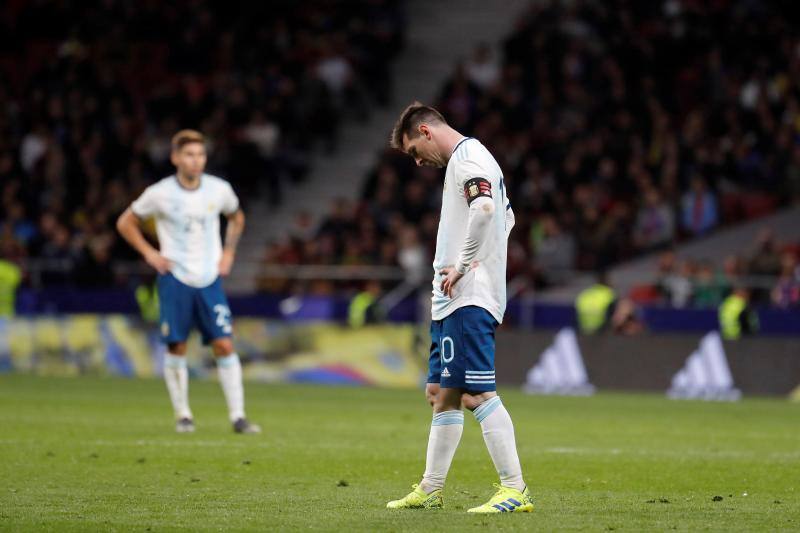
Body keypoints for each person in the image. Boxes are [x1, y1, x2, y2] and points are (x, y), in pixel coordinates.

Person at [385, 103, 532, 514]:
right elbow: (507, 215)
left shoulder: (469, 158)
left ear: (427, 131)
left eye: (415, 150)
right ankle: (431, 488)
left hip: (469, 294)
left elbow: (486, 210)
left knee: (476, 392)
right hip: (452, 297)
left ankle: (515, 489)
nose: (417, 161)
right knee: (441, 393)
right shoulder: (468, 163)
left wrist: (466, 264)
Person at [116, 129, 260, 434]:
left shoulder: (219, 189)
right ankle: (183, 414)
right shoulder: (160, 193)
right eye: (190, 155)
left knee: (223, 343)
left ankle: (238, 416)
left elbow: (237, 217)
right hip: (175, 277)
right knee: (177, 346)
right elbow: (125, 222)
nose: (196, 161)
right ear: (175, 158)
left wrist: (229, 253)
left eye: (200, 155)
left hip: (209, 278)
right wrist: (149, 254)